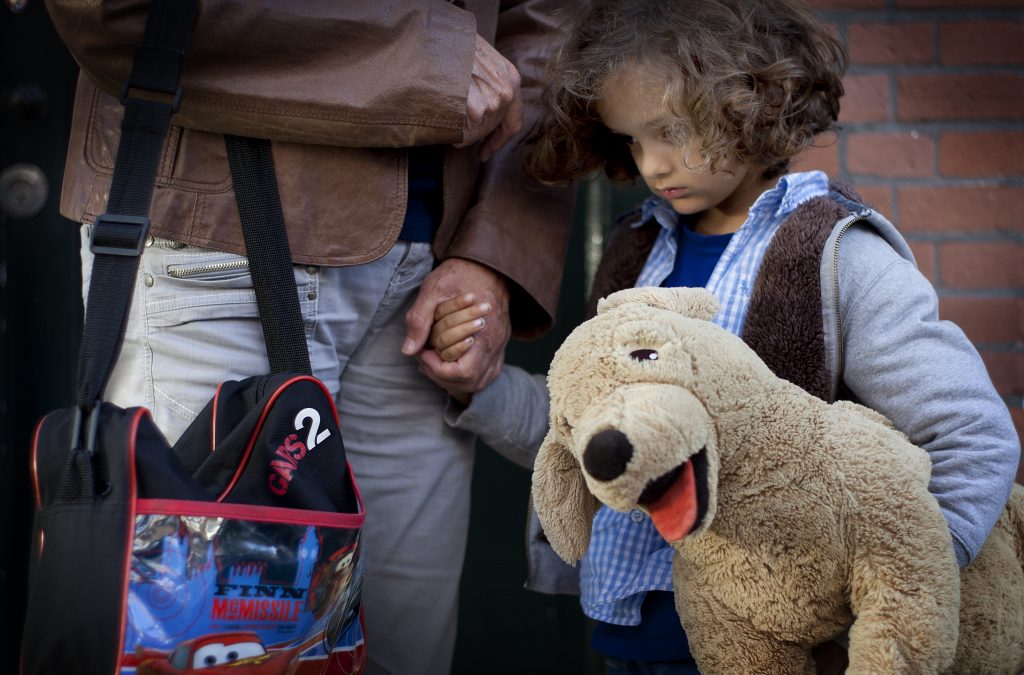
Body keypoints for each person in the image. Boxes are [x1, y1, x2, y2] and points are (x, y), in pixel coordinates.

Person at [430, 0, 1022, 672]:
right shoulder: (635, 253)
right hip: (625, 637)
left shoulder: (835, 255)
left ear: (753, 101)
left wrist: (906, 579)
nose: (653, 164)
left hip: (784, 646)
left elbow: (972, 432)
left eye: (673, 129)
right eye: (632, 139)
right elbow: (602, 439)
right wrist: (477, 388)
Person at [43, 2, 576, 674]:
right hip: (223, 236)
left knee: (404, 654)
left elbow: (548, 21)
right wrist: (423, 55)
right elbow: (112, 9)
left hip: (435, 272)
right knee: (206, 646)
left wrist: (495, 251)